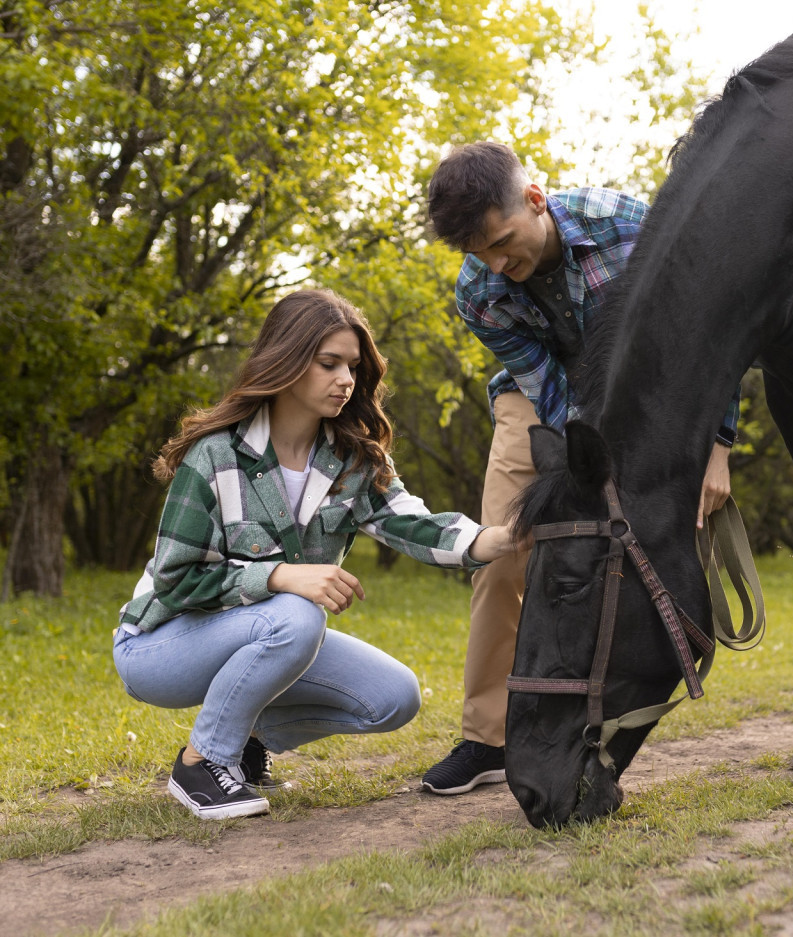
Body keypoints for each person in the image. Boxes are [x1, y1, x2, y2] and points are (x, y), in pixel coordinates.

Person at [114, 288, 524, 820]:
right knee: (298, 612)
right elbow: (175, 581)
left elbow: (414, 525)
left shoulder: (351, 459)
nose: (346, 380)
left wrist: (499, 537)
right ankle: (202, 763)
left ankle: (244, 738)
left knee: (394, 697)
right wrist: (281, 575)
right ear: (285, 360)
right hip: (160, 645)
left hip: (270, 634)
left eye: (352, 366)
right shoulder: (216, 454)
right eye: (329, 364)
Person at [420, 141, 740, 795]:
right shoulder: (479, 293)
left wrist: (719, 445)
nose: (499, 266)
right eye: (481, 255)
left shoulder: (630, 226)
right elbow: (550, 394)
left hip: (652, 395)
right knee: (504, 547)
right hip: (544, 405)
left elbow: (711, 333)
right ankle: (487, 737)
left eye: (504, 243)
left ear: (536, 201)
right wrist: (584, 469)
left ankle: (611, 706)